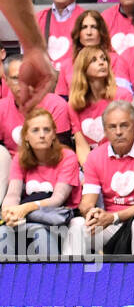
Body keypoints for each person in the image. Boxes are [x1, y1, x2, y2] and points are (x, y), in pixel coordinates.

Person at [65, 102, 134, 256]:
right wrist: (92, 213)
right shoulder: (95, 156)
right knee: (77, 224)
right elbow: (87, 203)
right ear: (105, 131)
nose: (118, 132)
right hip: (110, 223)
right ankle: (70, 277)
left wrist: (113, 217)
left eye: (124, 125)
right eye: (112, 127)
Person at [1, 107, 77, 257]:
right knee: (2, 231)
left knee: (40, 233)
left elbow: (58, 199)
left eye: (47, 130)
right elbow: (13, 194)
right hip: (28, 217)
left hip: (57, 218)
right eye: (35, 130)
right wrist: (8, 212)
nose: (42, 135)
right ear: (26, 136)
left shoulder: (68, 157)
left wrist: (26, 208)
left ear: (54, 134)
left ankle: (50, 278)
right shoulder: (20, 158)